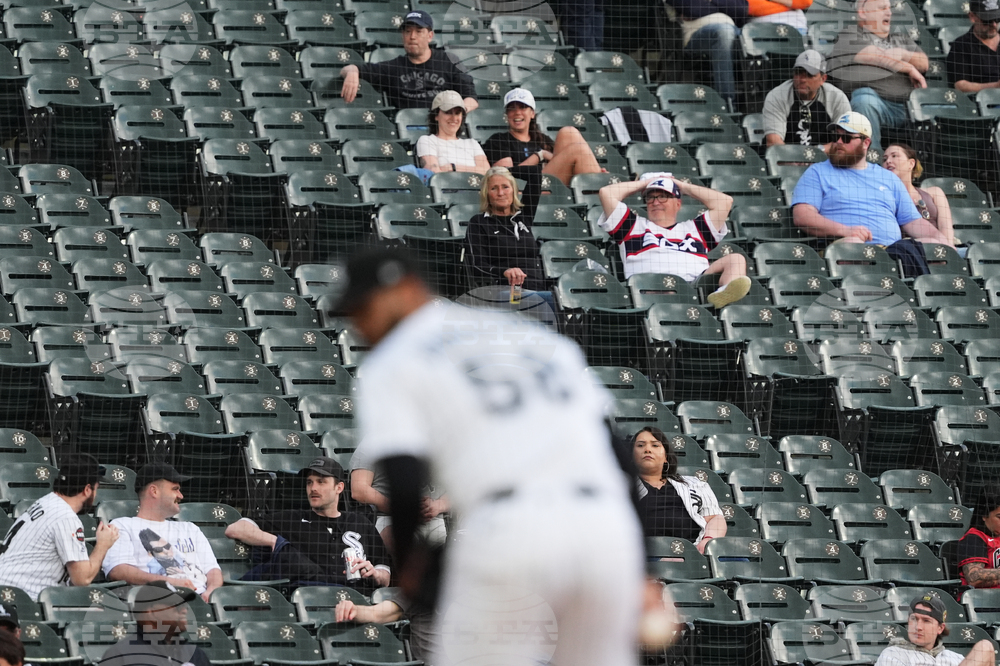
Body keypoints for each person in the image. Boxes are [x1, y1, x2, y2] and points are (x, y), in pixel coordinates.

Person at [339, 247, 646, 666]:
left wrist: (412, 570)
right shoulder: (532, 339)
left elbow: (404, 478)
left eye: (362, 309)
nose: (359, 325)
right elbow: (618, 455)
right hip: (606, 531)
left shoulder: (395, 359)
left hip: (511, 529)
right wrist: (643, 569)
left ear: (404, 290)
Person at [224, 457, 391, 594]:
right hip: (313, 602)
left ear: (339, 487)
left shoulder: (360, 523)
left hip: (358, 600)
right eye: (309, 482)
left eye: (321, 482)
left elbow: (385, 575)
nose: (313, 488)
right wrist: (275, 541)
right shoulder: (292, 520)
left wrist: (375, 574)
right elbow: (235, 529)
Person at [792, 112, 951, 246]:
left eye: (846, 138)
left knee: (936, 245)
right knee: (853, 242)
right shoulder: (817, 172)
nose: (838, 142)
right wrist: (845, 231)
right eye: (835, 136)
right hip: (845, 248)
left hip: (894, 253)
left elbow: (913, 222)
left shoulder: (888, 178)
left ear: (865, 143)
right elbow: (802, 216)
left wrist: (940, 239)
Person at [596, 173, 751, 308]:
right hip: (650, 287)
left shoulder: (695, 229)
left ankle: (722, 294)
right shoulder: (632, 226)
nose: (655, 202)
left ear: (678, 203)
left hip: (695, 287)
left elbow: (725, 202)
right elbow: (606, 193)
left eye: (663, 196)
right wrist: (646, 183)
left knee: (736, 259)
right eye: (650, 197)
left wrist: (681, 186)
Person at [0, 454, 118, 601]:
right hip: (22, 599)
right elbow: (82, 579)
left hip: (9, 593)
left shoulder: (46, 502)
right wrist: (103, 544)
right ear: (87, 489)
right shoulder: (65, 517)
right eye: (96, 488)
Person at [102, 463, 222, 602]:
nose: (181, 496)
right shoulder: (122, 525)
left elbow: (213, 570)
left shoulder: (190, 528)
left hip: (201, 602)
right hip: (157, 603)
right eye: (175, 489)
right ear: (154, 491)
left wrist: (211, 592)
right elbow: (118, 570)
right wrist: (168, 582)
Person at [828, 0, 929, 149]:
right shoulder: (849, 35)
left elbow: (924, 62)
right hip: (875, 105)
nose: (889, 12)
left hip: (909, 107)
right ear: (863, 12)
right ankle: (870, 161)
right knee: (864, 98)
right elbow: (872, 55)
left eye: (889, 8)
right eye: (882, 8)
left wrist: (901, 53)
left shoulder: (900, 38)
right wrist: (908, 67)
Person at [337, 11, 477, 111]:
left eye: (418, 31)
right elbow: (349, 68)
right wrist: (352, 73)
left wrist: (453, 115)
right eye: (407, 31)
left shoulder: (449, 61)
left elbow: (471, 99)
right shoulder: (393, 68)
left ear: (430, 36)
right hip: (411, 130)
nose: (412, 37)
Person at [480, 89, 603, 186]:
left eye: (523, 107)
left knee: (569, 132)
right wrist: (539, 156)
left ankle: (596, 179)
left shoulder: (542, 139)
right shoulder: (498, 140)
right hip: (524, 188)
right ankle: (598, 183)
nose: (517, 112)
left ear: (532, 113)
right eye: (512, 108)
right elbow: (505, 177)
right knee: (578, 150)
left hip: (551, 185)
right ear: (507, 115)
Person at [632, 427, 727, 551]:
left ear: (666, 457)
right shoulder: (621, 487)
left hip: (693, 554)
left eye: (655, 445)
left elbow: (715, 517)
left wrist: (706, 542)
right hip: (646, 556)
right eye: (640, 445)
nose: (647, 449)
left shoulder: (695, 484)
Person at [351, 437, 448, 554]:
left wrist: (437, 506)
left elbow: (462, 487)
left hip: (435, 519)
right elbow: (359, 490)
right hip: (389, 518)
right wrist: (400, 508)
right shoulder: (372, 443)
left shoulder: (440, 441)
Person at [464, 164, 548, 292]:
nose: (501, 193)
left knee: (557, 302)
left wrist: (501, 172)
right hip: (507, 289)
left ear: (513, 190)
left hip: (539, 287)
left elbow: (535, 173)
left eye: (505, 187)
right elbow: (477, 265)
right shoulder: (478, 222)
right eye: (494, 188)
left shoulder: (524, 216)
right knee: (544, 304)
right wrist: (504, 271)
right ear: (487, 194)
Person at [98, 583, 211, 666]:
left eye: (184, 605)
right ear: (152, 612)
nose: (184, 610)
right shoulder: (121, 656)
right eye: (176, 604)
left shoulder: (195, 655)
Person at [763, 50, 852, 149]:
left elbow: (845, 140)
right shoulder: (777, 96)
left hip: (824, 160)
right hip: (786, 160)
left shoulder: (837, 98)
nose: (802, 79)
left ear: (823, 79)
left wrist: (816, 154)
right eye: (798, 73)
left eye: (809, 75)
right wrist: (794, 160)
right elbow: (773, 142)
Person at [874, 592, 994, 665]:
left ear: (940, 628)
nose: (918, 627)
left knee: (985, 647)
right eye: (914, 619)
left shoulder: (955, 658)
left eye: (926, 621)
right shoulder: (893, 654)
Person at [668, 0, 747, 108]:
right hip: (695, 35)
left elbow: (741, 9)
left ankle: (756, 103)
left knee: (751, 36)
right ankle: (726, 105)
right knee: (724, 32)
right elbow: (692, 9)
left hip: (733, 31)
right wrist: (725, 7)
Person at [883, 143, 957, 245]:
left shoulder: (935, 192)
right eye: (884, 159)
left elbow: (946, 227)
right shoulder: (883, 197)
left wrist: (948, 252)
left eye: (894, 156)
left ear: (911, 163)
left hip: (942, 250)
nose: (888, 161)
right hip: (908, 253)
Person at [415, 91, 488, 175]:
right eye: (448, 112)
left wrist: (453, 168)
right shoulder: (427, 140)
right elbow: (433, 172)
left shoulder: (472, 143)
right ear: (436, 116)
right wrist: (474, 170)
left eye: (457, 113)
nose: (454, 118)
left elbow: (487, 173)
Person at [946, 0, 1000, 91]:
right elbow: (960, 85)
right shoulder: (961, 45)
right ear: (972, 17)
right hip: (984, 101)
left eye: (998, 19)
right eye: (987, 20)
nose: (994, 24)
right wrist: (995, 86)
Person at [957, 488, 1000, 588]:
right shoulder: (973, 538)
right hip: (982, 600)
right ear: (984, 515)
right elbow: (973, 577)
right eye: (999, 517)